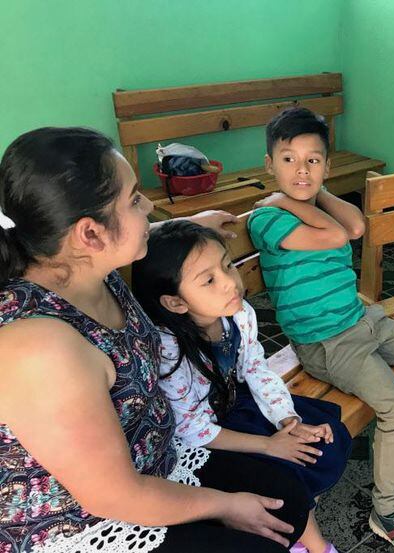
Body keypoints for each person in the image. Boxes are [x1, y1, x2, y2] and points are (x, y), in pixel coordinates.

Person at [0, 127, 311, 553]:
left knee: (287, 501)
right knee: (260, 535)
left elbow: (128, 240)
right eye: (133, 199)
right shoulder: (38, 346)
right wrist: (226, 505)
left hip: (157, 454)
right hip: (91, 521)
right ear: (90, 234)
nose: (147, 204)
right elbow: (111, 495)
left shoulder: (83, 265)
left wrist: (187, 226)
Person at [248, 108, 394, 553]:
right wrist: (292, 201)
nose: (301, 170)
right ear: (269, 164)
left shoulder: (305, 202)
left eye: (313, 161)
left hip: (363, 319)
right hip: (325, 342)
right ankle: (390, 512)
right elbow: (338, 237)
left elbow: (356, 226)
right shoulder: (266, 219)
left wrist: (309, 195)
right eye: (289, 160)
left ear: (326, 165)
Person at [132, 220, 353, 553]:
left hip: (236, 404)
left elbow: (254, 367)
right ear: (176, 303)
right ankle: (312, 543)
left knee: (321, 442)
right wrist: (268, 445)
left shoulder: (238, 315)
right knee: (280, 471)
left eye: (227, 266)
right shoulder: (170, 351)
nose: (229, 283)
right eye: (209, 280)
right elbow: (192, 429)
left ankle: (309, 537)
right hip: (200, 436)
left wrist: (286, 419)